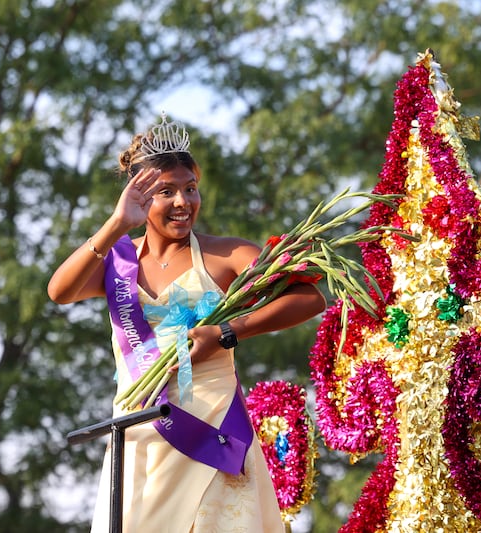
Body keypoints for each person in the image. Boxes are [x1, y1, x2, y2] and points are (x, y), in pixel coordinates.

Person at [47, 114, 327, 532]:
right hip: (140, 439)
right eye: (166, 191)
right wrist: (117, 224)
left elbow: (308, 297)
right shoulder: (117, 263)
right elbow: (59, 291)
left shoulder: (227, 255)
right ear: (140, 199)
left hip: (213, 432)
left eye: (190, 189)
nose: (183, 202)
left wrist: (228, 333)